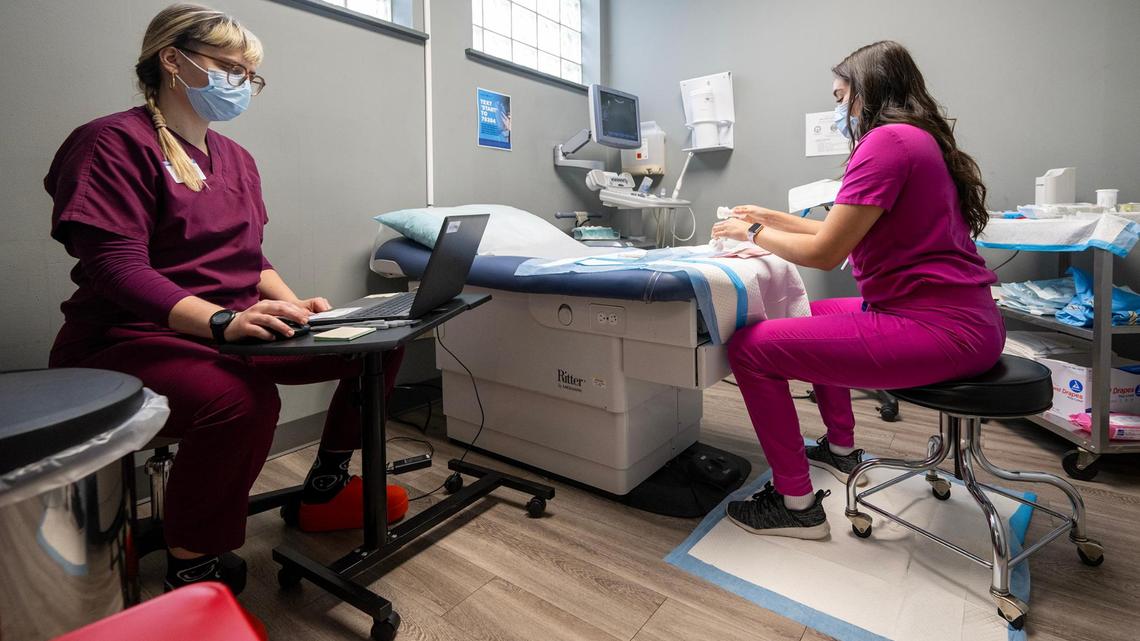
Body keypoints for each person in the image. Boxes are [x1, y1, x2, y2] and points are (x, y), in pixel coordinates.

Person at [44, 3, 407, 592]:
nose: (239, 84)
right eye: (227, 67)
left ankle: (328, 487)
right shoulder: (109, 143)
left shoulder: (237, 160)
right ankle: (192, 566)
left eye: (248, 75)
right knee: (241, 402)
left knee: (379, 342)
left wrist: (304, 310)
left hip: (233, 326)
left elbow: (249, 259)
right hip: (130, 339)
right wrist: (221, 321)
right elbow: (114, 267)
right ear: (171, 59)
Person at [710, 41, 1003, 540]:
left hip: (940, 327)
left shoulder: (886, 143)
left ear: (868, 91)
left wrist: (751, 234)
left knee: (750, 349)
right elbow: (837, 231)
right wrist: (766, 215)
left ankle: (794, 504)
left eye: (841, 96)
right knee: (811, 313)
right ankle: (841, 451)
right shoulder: (916, 140)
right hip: (958, 317)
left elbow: (825, 253)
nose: (838, 109)